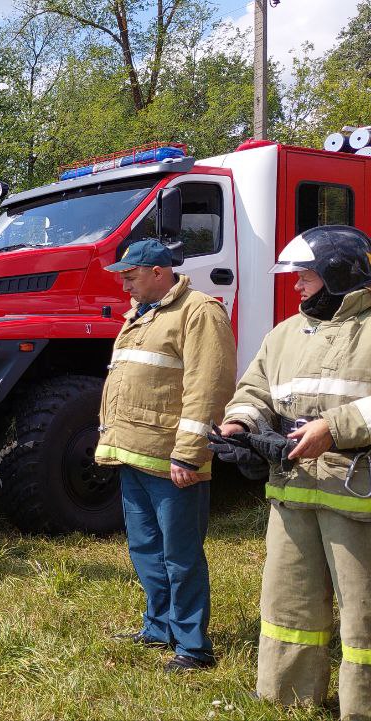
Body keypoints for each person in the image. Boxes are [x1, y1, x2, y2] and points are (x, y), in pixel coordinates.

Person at [214, 225, 371, 716]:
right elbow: (255, 390)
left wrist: (335, 427)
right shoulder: (285, 334)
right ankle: (287, 698)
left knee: (363, 614)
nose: (297, 286)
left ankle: (360, 706)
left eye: (306, 276)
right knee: (290, 605)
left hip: (357, 498)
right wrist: (240, 424)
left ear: (338, 273)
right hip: (294, 493)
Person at [95, 238, 235, 672]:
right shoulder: (139, 315)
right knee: (144, 548)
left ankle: (193, 646)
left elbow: (209, 387)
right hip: (132, 453)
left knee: (181, 554)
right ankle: (159, 626)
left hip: (172, 461)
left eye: (131, 277)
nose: (125, 287)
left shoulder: (199, 311)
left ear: (159, 273)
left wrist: (190, 454)